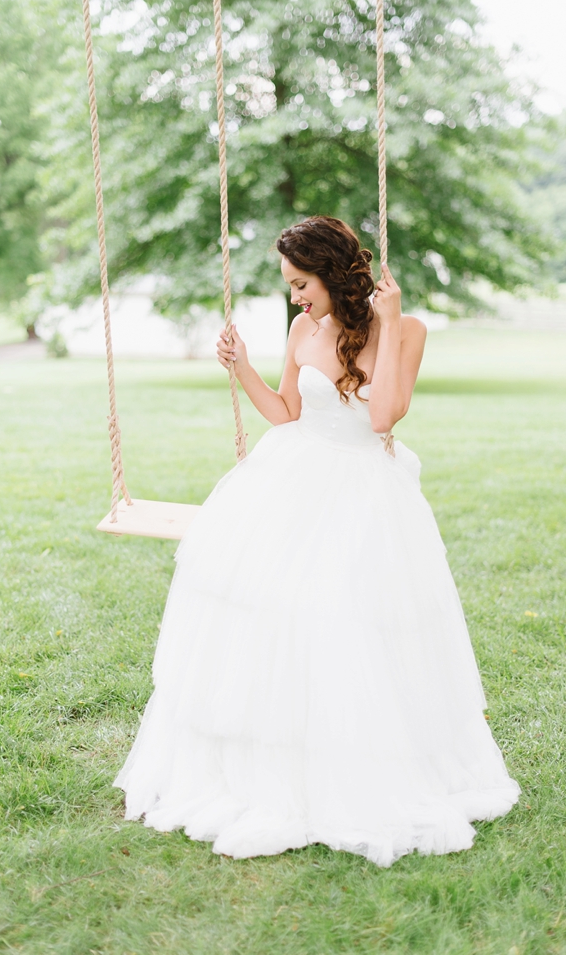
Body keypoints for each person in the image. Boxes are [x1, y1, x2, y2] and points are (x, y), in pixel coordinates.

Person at [114, 215, 519, 868]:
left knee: (350, 617)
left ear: (332, 273)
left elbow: (383, 413)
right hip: (290, 478)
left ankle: (355, 757)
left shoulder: (405, 330)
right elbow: (286, 412)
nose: (295, 297)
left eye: (302, 283)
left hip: (365, 491)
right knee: (272, 614)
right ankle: (275, 762)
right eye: (290, 286)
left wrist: (386, 324)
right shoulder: (302, 329)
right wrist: (240, 366)